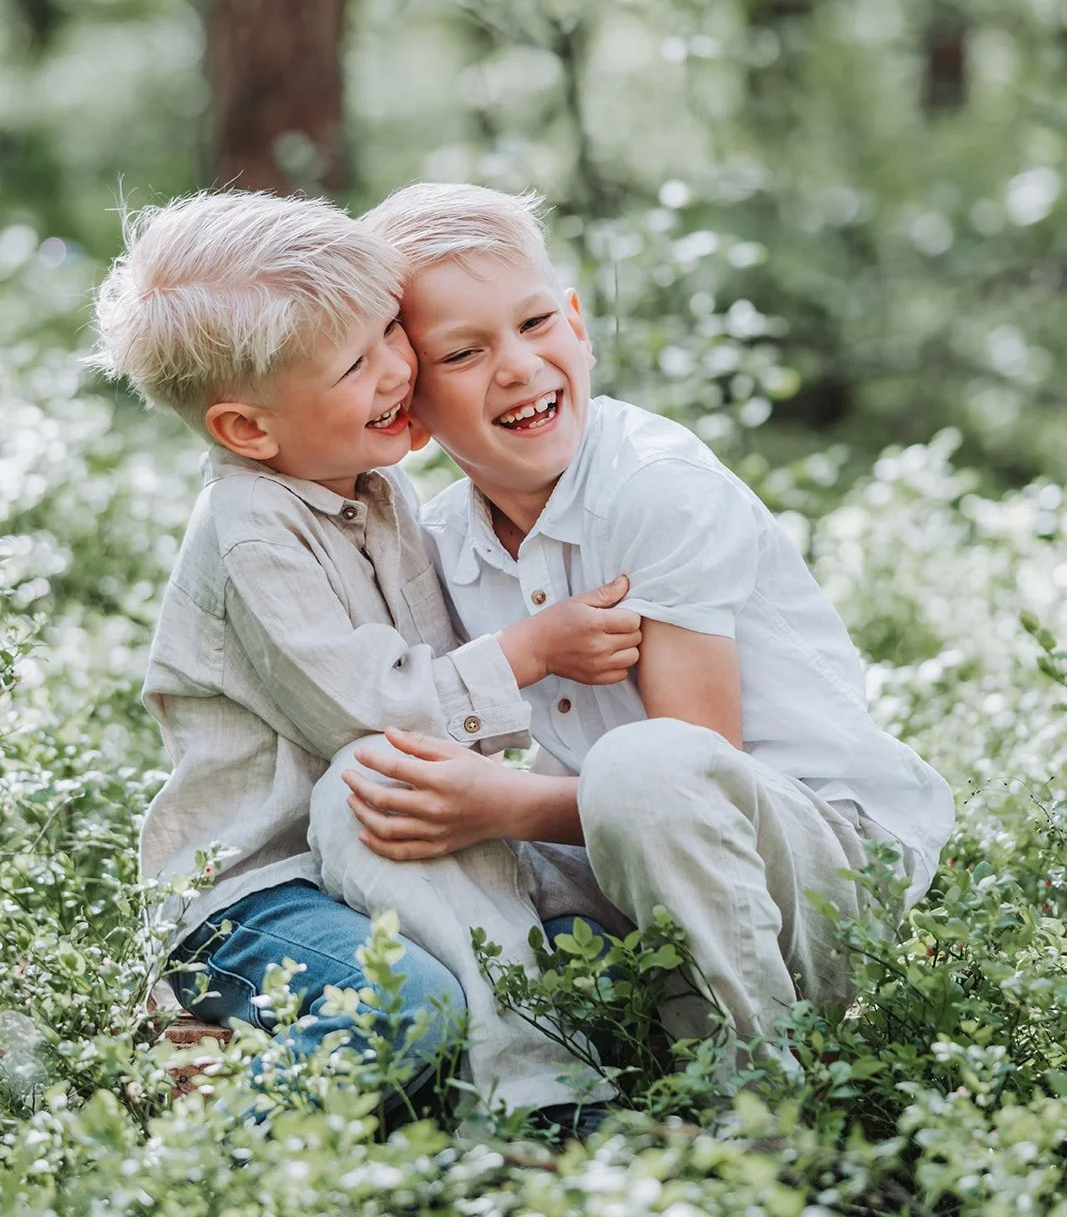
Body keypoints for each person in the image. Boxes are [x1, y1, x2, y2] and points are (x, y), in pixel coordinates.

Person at [308, 181, 955, 1098]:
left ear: (578, 324)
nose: (520, 367)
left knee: (644, 765)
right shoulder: (440, 540)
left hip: (815, 869)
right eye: (464, 352)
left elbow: (695, 760)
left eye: (536, 324)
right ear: (408, 408)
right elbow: (439, 726)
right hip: (627, 870)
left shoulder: (657, 487)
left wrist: (506, 805)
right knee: (361, 788)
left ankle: (756, 1104)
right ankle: (548, 1089)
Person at [90, 188, 642, 1122]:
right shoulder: (253, 531)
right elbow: (367, 715)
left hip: (391, 856)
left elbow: (436, 653)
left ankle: (449, 1116)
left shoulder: (375, 490)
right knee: (405, 1005)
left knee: (591, 946)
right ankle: (215, 1136)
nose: (402, 366)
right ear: (248, 429)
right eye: (357, 364)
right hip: (260, 895)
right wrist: (528, 651)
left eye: (392, 331)